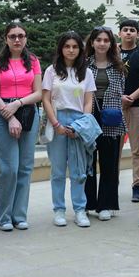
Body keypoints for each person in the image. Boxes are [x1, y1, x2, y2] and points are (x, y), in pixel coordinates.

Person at [0, 22, 42, 232]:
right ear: (6, 39)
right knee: (9, 168)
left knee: (25, 167)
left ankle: (19, 216)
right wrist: (10, 116)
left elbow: (38, 93)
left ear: (26, 38)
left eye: (21, 35)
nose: (17, 40)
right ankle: (4, 217)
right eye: (12, 36)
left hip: (28, 113)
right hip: (3, 114)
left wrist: (18, 104)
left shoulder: (33, 61)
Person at [42, 31, 96, 228]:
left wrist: (81, 126)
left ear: (80, 49)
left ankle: (80, 210)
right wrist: (56, 123)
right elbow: (46, 99)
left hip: (78, 121)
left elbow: (88, 101)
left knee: (78, 170)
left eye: (74, 47)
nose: (71, 50)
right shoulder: (51, 71)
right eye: (67, 46)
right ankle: (59, 210)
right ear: (61, 49)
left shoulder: (86, 73)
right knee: (57, 170)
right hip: (57, 118)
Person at [84, 27, 127, 221]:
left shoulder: (118, 66)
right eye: (98, 40)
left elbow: (121, 91)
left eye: (106, 40)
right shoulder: (84, 65)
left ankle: (106, 205)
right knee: (88, 162)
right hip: (88, 116)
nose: (102, 43)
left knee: (109, 163)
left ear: (111, 44)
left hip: (111, 118)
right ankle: (87, 203)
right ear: (92, 42)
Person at [119, 19, 139, 203]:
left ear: (138, 34)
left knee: (138, 149)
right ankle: (111, 182)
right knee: (113, 148)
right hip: (115, 108)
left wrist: (131, 97)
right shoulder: (112, 52)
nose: (128, 32)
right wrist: (120, 98)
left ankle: (137, 185)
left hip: (137, 106)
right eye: (125, 29)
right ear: (120, 33)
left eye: (132, 30)